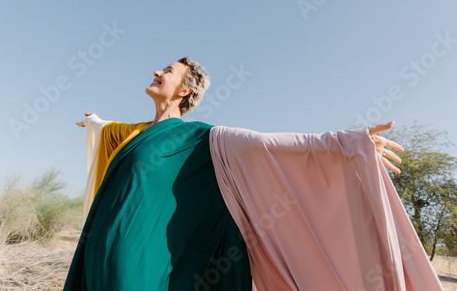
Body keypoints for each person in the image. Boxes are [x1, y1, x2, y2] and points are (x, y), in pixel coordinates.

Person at [63, 57, 444, 290]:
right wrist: (95, 123)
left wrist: (346, 145)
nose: (157, 71)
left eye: (168, 70)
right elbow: (106, 127)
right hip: (100, 252)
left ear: (185, 90)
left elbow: (269, 145)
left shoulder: (205, 140)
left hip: (138, 263)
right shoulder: (133, 132)